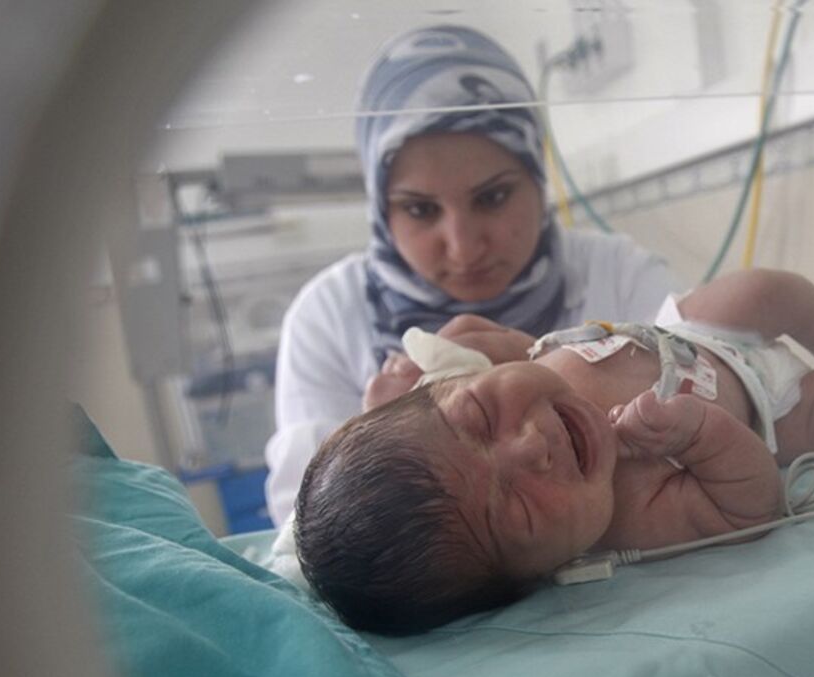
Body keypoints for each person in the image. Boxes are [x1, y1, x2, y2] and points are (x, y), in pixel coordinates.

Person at [294, 268, 814, 635]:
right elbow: (750, 507)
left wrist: (433, 364)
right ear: (538, 575)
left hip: (691, 334)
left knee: (764, 288)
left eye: (481, 411)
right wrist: (697, 434)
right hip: (777, 412)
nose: (529, 447)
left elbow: (484, 336)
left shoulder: (502, 372)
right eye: (516, 511)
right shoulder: (624, 512)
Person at [264, 25, 681, 526]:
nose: (462, 246)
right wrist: (381, 440)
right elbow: (304, 526)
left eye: (493, 197)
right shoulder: (328, 316)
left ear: (535, 178)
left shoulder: (617, 273)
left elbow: (717, 410)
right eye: (420, 209)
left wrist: (548, 370)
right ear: (381, 207)